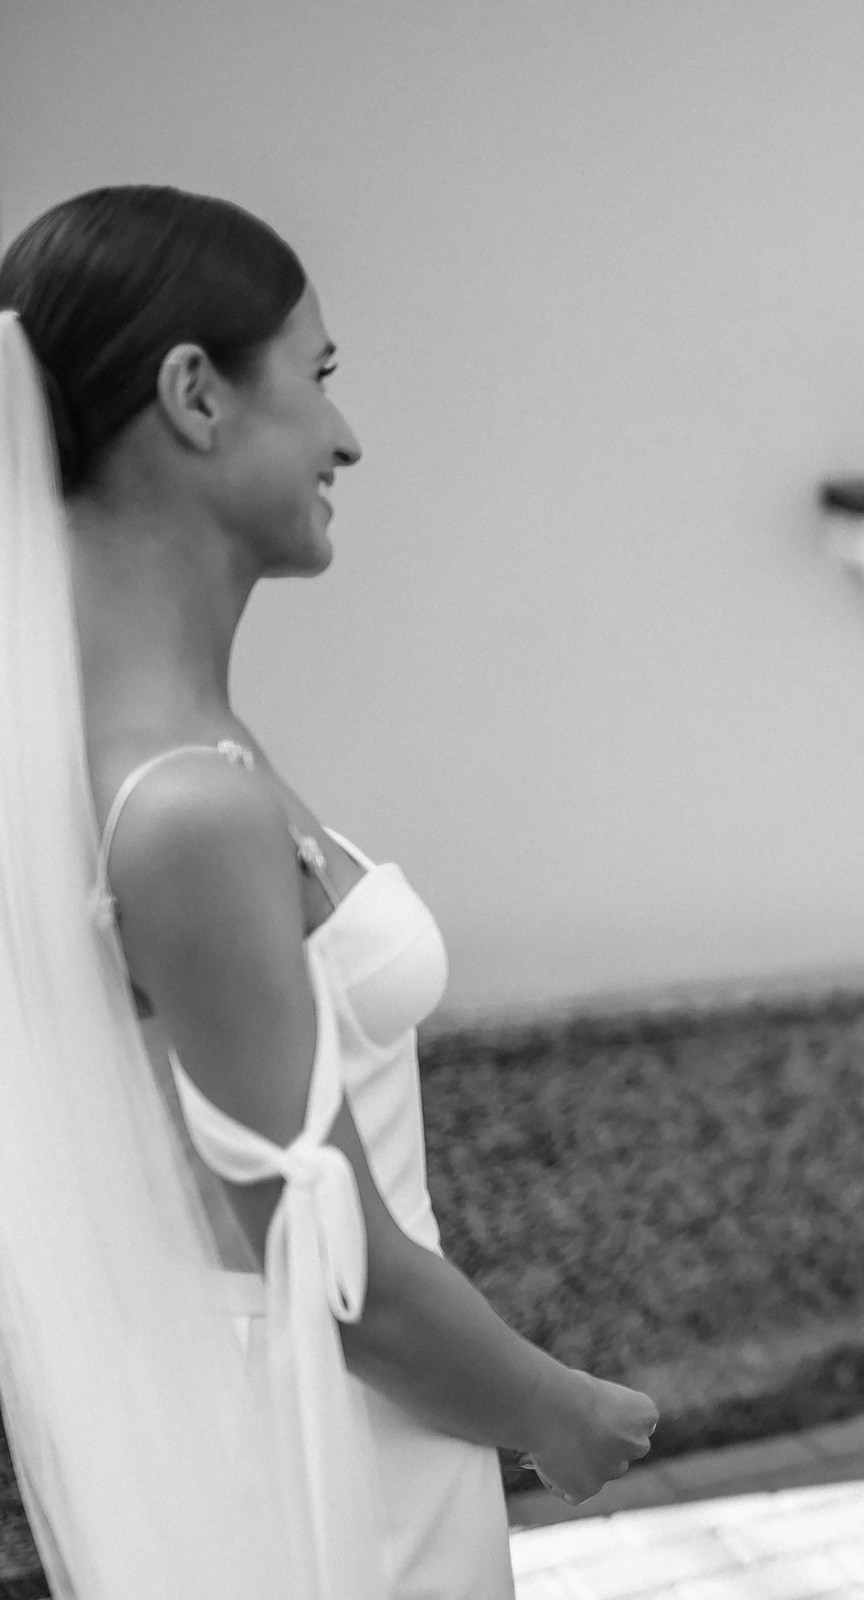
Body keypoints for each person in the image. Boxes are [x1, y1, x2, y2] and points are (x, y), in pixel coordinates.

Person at [0, 186, 657, 1600]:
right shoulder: (179, 803)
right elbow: (324, 1252)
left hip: (354, 1428)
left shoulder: (178, 742)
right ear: (194, 395)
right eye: (319, 377)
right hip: (321, 1468)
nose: (348, 437)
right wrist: (561, 1411)